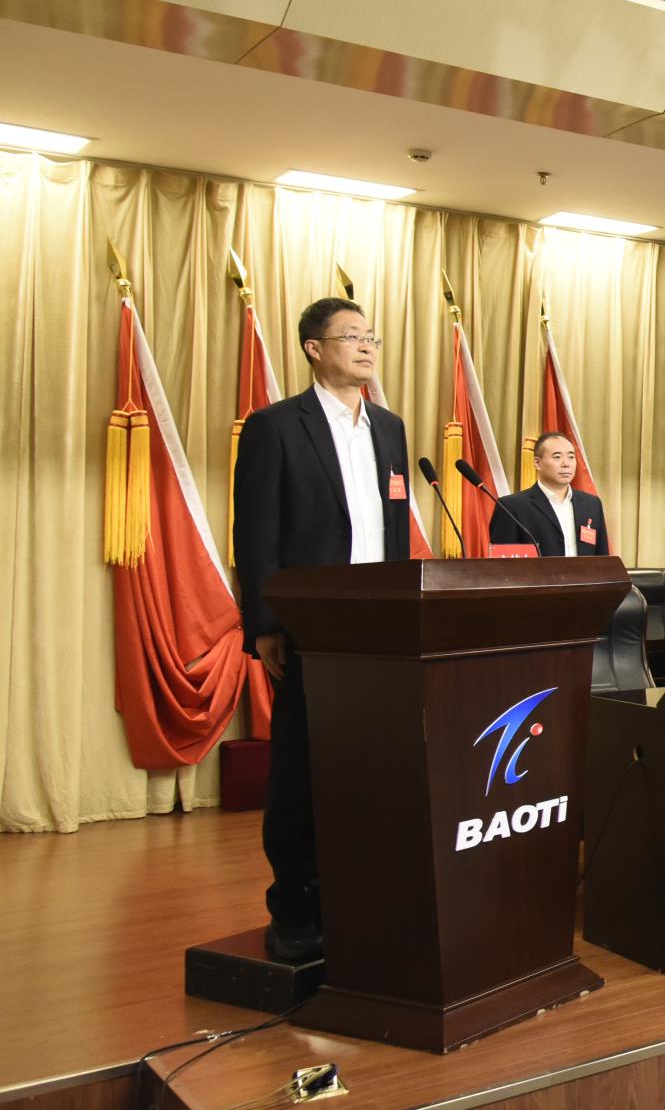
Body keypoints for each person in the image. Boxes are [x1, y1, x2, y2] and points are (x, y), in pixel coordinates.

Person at [234, 297, 412, 961]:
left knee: (370, 766)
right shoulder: (276, 426)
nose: (367, 347)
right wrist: (265, 623)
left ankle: (359, 896)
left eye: (372, 337)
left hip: (381, 624)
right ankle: (295, 906)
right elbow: (255, 532)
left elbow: (395, 525)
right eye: (352, 336)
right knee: (301, 770)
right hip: (312, 622)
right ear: (314, 348)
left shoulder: (389, 428)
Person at [489, 431, 608, 557]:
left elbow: (602, 558)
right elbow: (502, 563)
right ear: (537, 463)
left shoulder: (592, 504)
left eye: (571, 457)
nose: (566, 464)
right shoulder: (511, 507)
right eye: (557, 457)